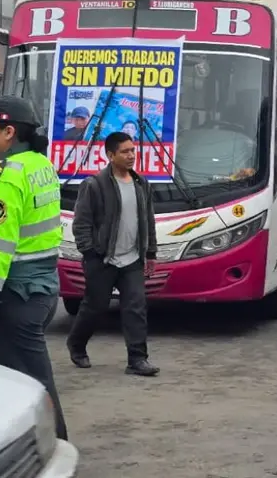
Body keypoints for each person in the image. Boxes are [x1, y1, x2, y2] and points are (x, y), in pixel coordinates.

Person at [0, 95, 69, 440]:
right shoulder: (40, 165)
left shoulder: (5, 179)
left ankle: (60, 447)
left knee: (37, 382)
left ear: (8, 132)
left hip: (17, 296)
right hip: (38, 289)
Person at [66, 132, 160, 377]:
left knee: (136, 307)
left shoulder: (141, 184)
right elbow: (81, 222)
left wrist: (150, 253)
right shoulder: (94, 185)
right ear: (110, 155)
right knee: (95, 306)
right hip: (103, 259)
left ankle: (137, 359)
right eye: (125, 152)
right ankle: (76, 344)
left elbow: (148, 220)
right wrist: (90, 252)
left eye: (132, 151)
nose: (131, 156)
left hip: (132, 260)